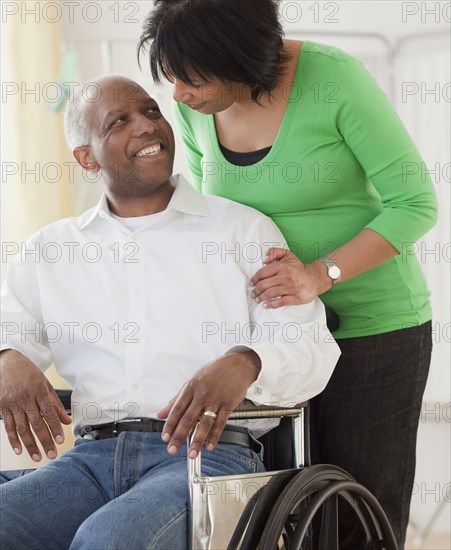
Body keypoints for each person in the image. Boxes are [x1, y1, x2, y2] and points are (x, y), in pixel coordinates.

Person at [138, 1, 438, 547]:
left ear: (240, 58)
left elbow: (415, 204)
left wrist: (321, 273)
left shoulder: (335, 78)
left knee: (357, 513)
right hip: (276, 338)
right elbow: (213, 220)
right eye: (172, 77)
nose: (177, 95)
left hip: (371, 327)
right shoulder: (196, 107)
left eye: (193, 79)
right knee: (279, 510)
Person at [0, 75, 340, 549]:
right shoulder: (50, 250)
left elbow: (311, 347)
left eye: (151, 112)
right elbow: (10, 328)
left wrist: (246, 362)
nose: (146, 126)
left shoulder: (241, 230)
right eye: (120, 121)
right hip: (89, 458)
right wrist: (6, 355)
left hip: (209, 456)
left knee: (109, 539)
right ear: (86, 157)